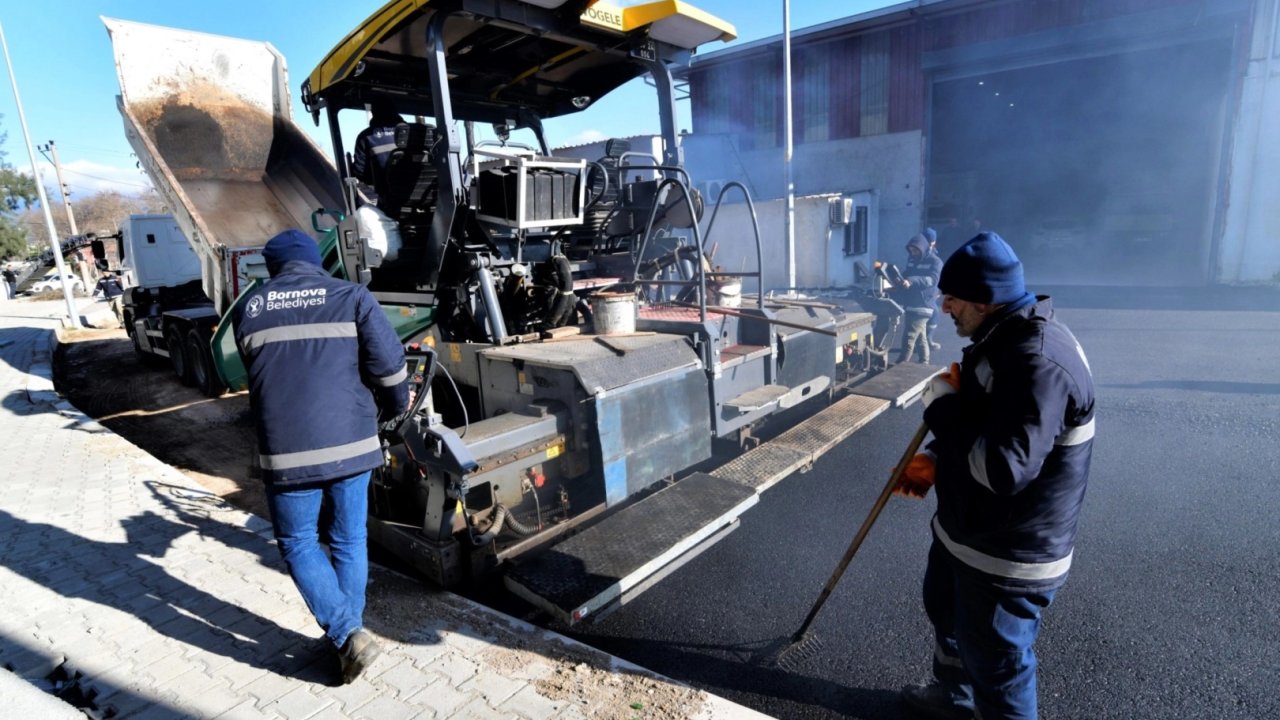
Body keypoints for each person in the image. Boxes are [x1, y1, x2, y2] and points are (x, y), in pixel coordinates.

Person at [894, 232, 1095, 720]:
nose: (943, 307)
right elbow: (986, 425)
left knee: (999, 665)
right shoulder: (998, 339)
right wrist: (938, 456)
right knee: (948, 617)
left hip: (1007, 554)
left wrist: (942, 411)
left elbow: (1004, 469)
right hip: (966, 534)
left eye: (953, 299)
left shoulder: (1036, 363)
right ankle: (955, 697)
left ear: (984, 303)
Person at [232, 229, 408, 684]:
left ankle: (348, 636)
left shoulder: (250, 308)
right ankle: (349, 634)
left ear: (273, 268)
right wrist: (394, 411)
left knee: (299, 543)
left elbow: (257, 374)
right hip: (352, 445)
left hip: (287, 454)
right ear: (315, 260)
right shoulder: (352, 295)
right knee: (349, 541)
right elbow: (389, 369)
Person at [892, 232, 943, 364]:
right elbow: (907, 273)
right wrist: (899, 278)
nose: (913, 253)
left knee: (908, 338)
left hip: (923, 305)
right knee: (921, 338)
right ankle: (924, 363)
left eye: (915, 250)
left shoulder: (935, 262)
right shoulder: (912, 260)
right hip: (911, 303)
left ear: (923, 247)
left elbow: (932, 280)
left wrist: (911, 281)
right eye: (911, 250)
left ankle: (899, 366)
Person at [349, 99, 403, 204]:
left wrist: (378, 181)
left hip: (389, 201)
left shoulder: (365, 137)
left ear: (373, 113)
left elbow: (359, 171)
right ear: (395, 111)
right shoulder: (416, 132)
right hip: (427, 198)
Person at [922, 228, 943, 351]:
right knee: (932, 313)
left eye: (932, 241)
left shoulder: (935, 255)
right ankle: (926, 341)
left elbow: (937, 275)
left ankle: (927, 339)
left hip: (931, 290)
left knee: (933, 315)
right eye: (929, 241)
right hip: (923, 290)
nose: (931, 243)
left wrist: (938, 289)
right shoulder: (918, 254)